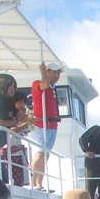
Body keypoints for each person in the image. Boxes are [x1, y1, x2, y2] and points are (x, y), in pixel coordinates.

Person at [29, 62, 63, 191]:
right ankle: (34, 183)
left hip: (52, 125)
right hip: (40, 125)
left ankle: (39, 183)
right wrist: (42, 71)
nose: (57, 75)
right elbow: (44, 85)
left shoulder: (52, 88)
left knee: (45, 155)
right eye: (54, 72)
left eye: (58, 73)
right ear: (47, 72)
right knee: (39, 154)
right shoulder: (37, 83)